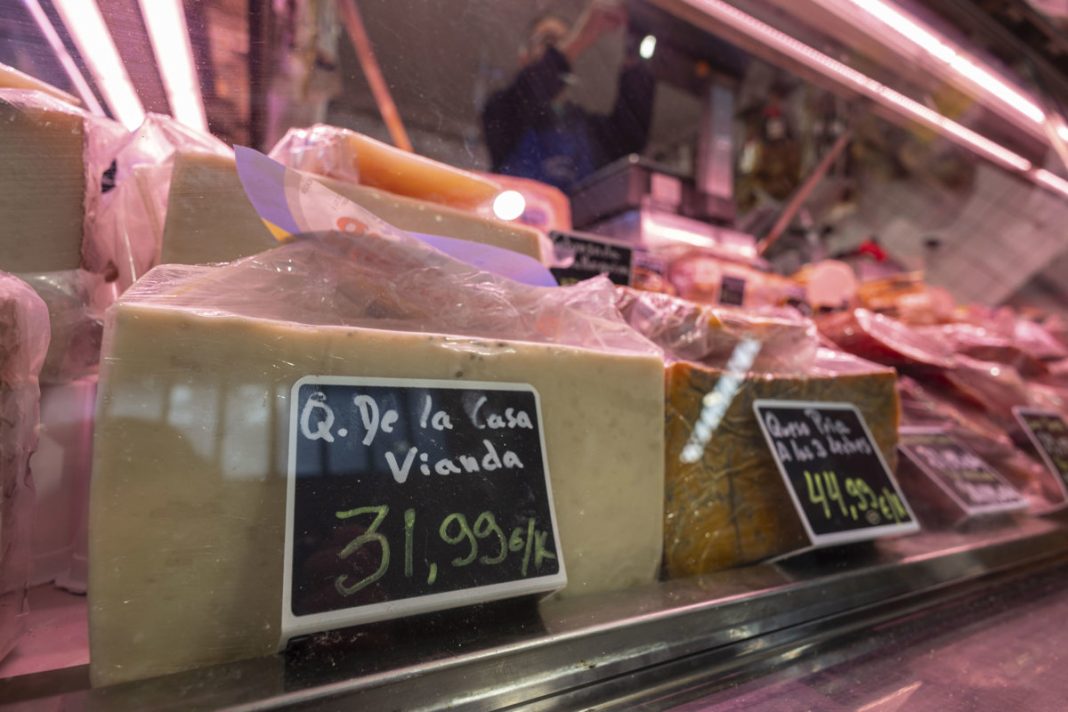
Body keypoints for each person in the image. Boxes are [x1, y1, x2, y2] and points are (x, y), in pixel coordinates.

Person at [481, 2, 655, 192]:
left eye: (563, 42)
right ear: (523, 58)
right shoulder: (502, 110)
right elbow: (531, 88)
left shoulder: (586, 126)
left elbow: (631, 139)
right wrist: (582, 36)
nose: (560, 50)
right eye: (549, 42)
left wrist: (634, 52)